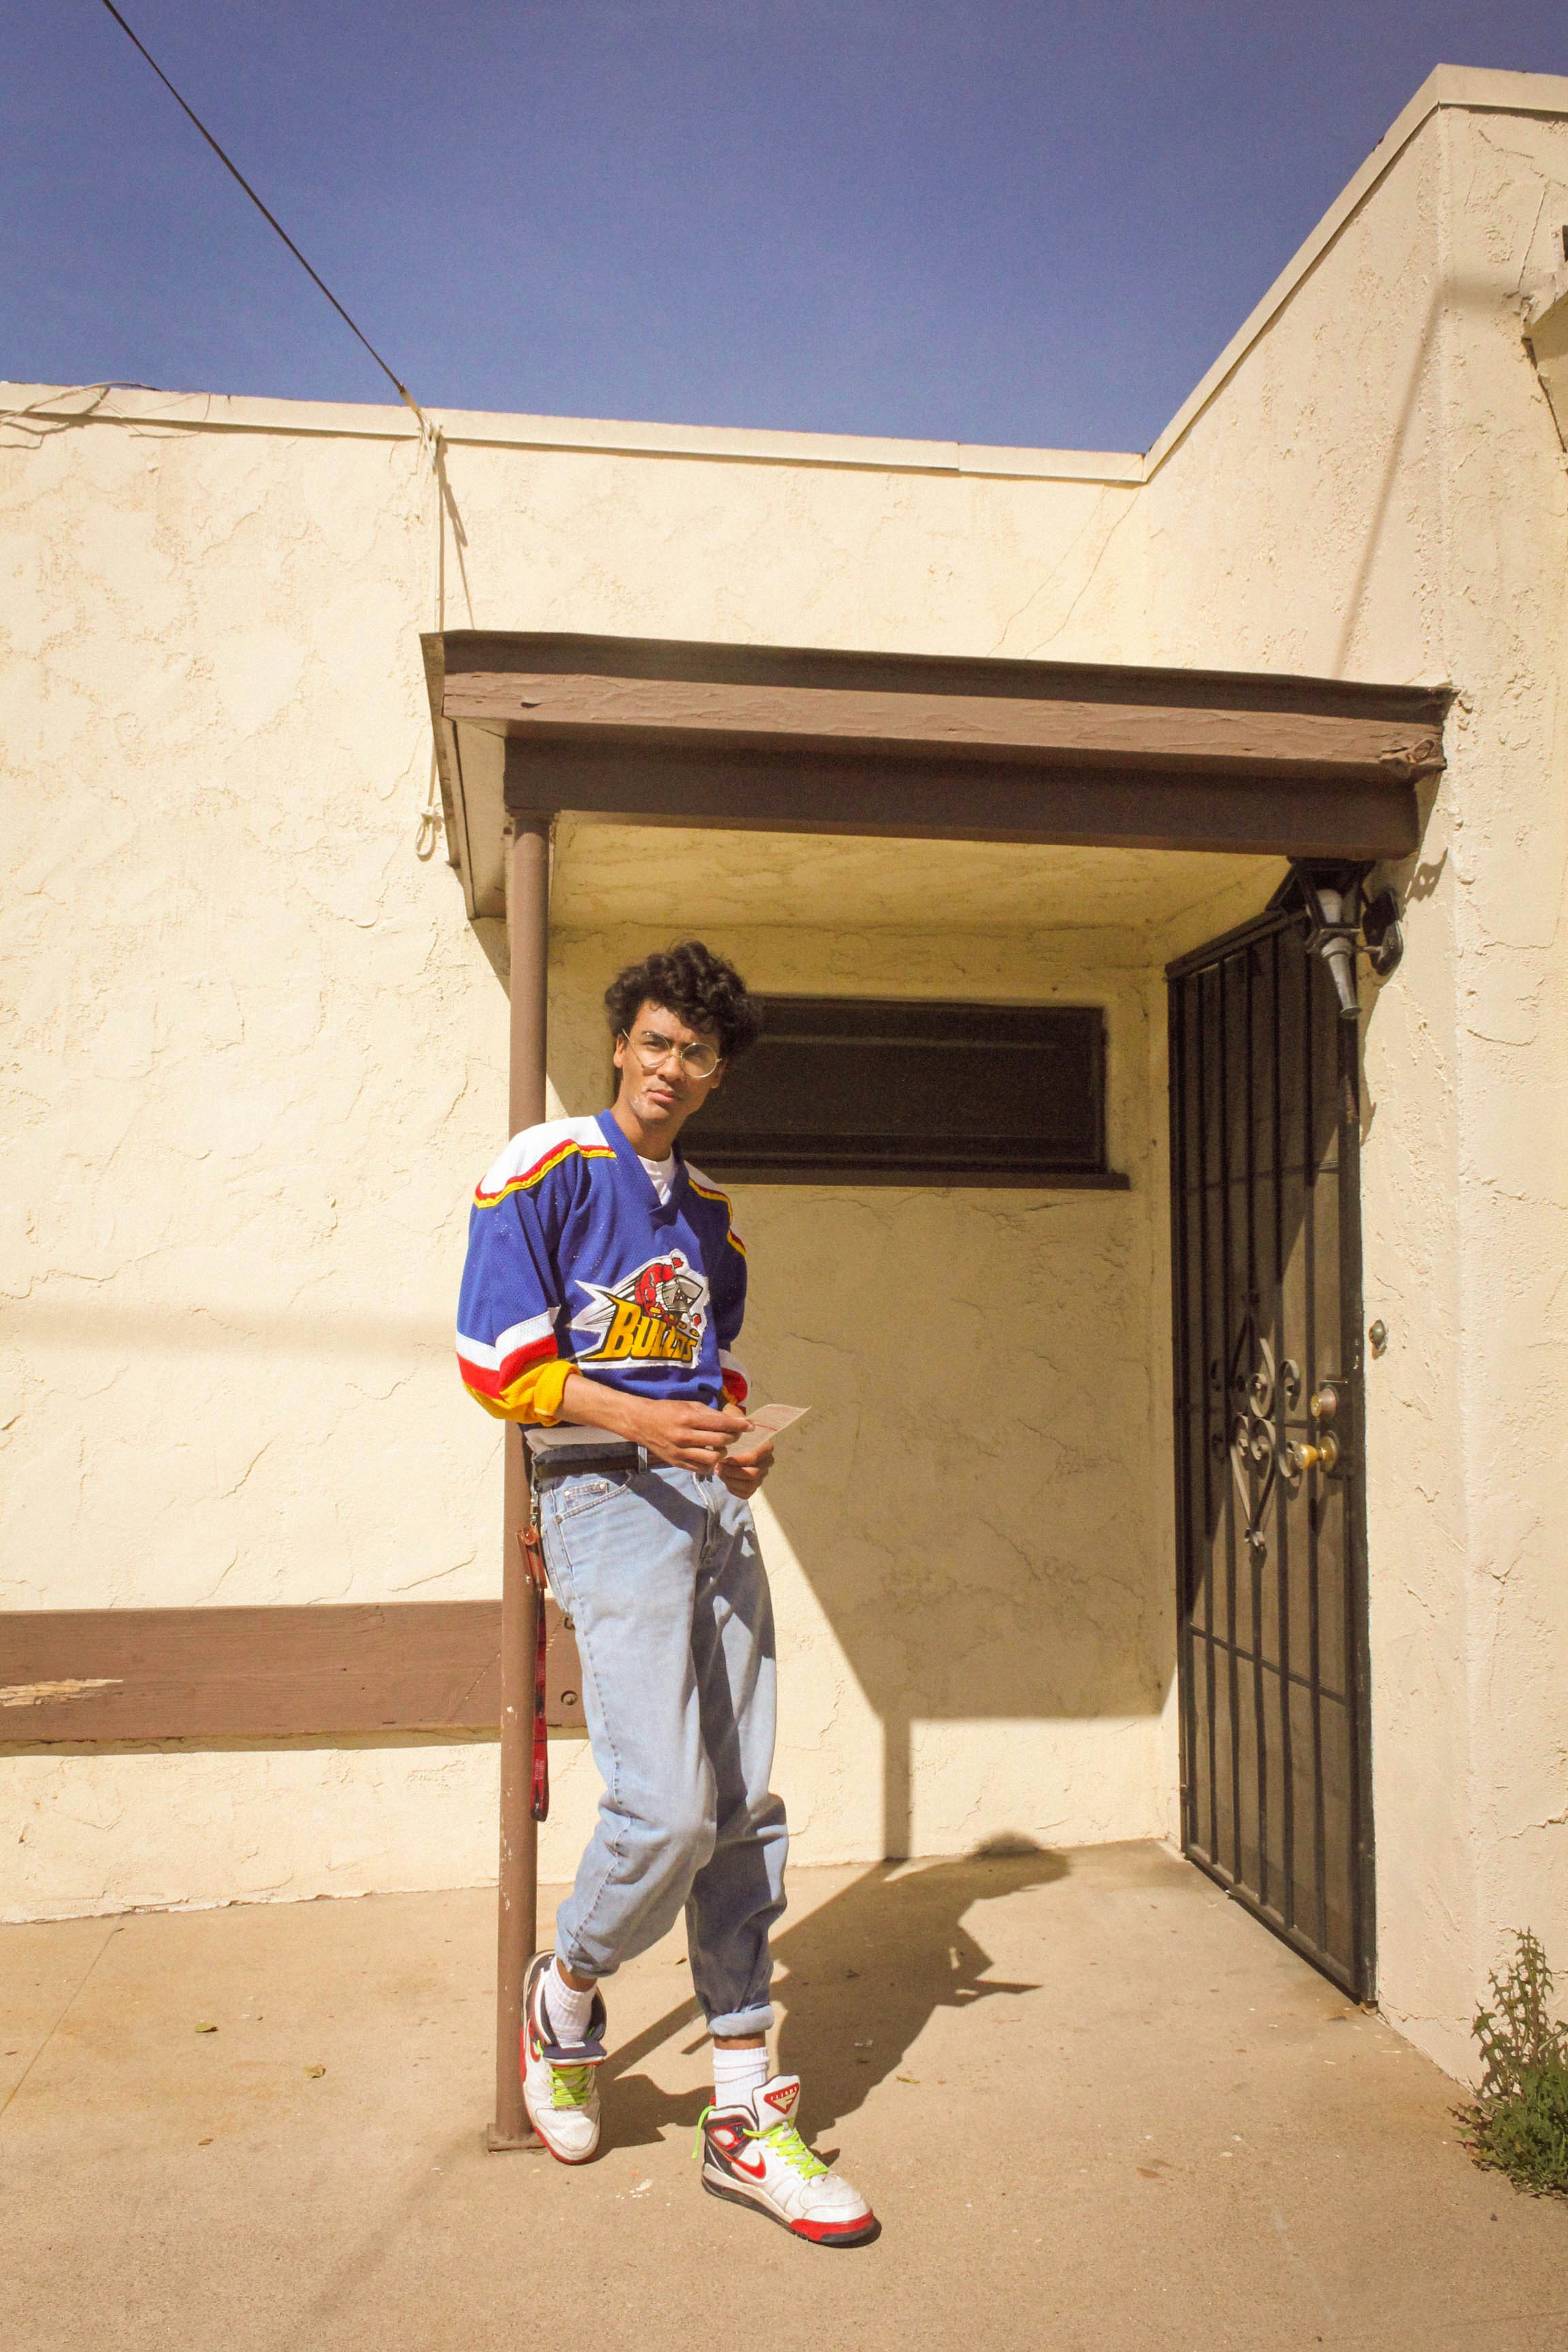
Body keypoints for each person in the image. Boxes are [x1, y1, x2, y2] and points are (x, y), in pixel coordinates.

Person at [456, 940, 877, 2247]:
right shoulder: (542, 1167)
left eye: (697, 1054)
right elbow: (496, 1359)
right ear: (620, 1044)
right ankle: (570, 1991)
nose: (671, 1067)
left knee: (742, 1810)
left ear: (714, 1076)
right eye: (654, 1041)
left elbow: (712, 1362)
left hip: (706, 1504)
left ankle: (745, 2110)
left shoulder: (711, 1213)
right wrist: (641, 1422)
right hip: (599, 1495)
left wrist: (734, 1440)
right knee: (665, 1808)